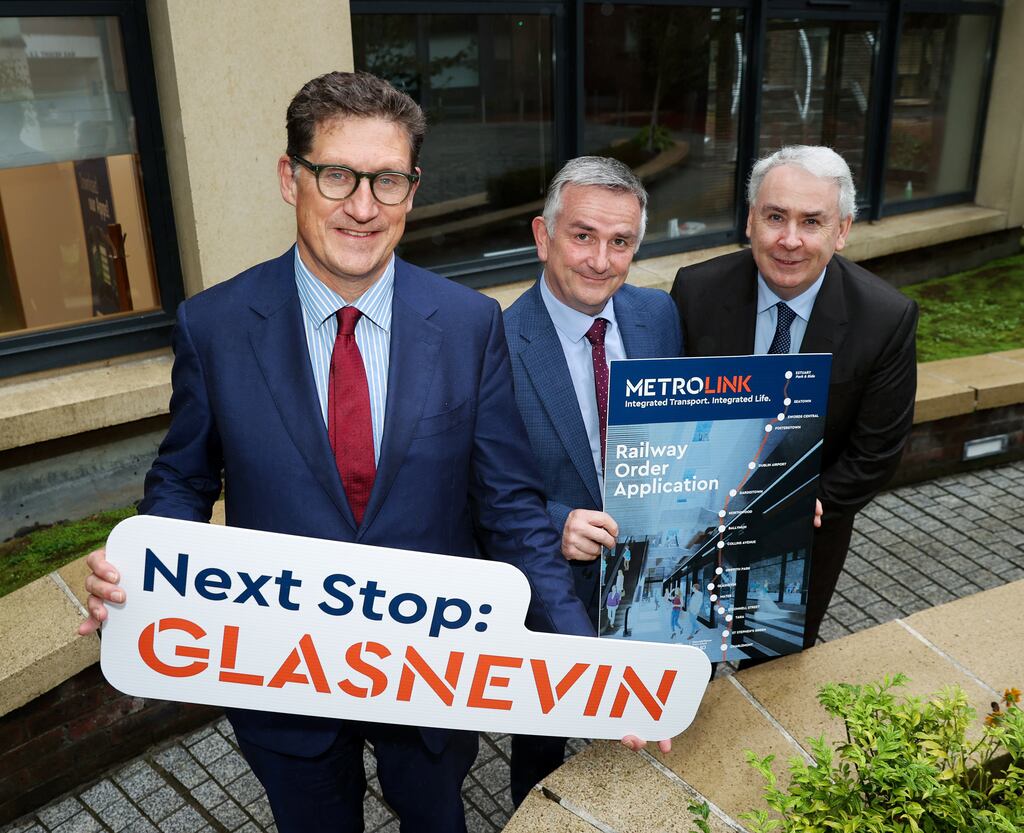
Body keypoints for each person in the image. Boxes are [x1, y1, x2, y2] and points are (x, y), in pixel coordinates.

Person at [78, 72, 665, 833]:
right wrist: (144, 568)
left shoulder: (467, 324)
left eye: (387, 180)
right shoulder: (214, 324)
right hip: (282, 676)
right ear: (292, 178)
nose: (363, 206)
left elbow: (512, 510)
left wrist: (595, 663)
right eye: (337, 176)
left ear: (412, 190)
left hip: (434, 675)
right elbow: (184, 477)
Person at [670, 145, 917, 653]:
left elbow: (878, 450)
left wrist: (806, 506)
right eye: (775, 217)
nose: (789, 240)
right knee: (687, 657)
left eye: (812, 222)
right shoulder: (695, 290)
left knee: (774, 666)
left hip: (806, 534)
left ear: (842, 230)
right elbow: (673, 411)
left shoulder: (885, 318)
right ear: (749, 221)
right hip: (692, 525)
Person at [502, 156, 683, 806]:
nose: (601, 260)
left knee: (642, 725)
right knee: (542, 738)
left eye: (621, 241)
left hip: (646, 577)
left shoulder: (658, 315)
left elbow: (681, 429)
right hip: (551, 587)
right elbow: (477, 483)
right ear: (543, 236)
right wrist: (557, 521)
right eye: (582, 235)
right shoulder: (496, 341)